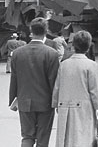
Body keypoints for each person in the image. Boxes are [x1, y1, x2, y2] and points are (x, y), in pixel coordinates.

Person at [9, 17, 60, 146]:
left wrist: (13, 99)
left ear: (31, 31)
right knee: (43, 137)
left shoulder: (17, 53)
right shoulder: (52, 54)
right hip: (45, 102)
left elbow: (14, 79)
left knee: (27, 136)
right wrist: (57, 102)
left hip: (24, 101)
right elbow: (54, 82)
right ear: (46, 31)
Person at [52, 30, 98, 147]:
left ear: (73, 45)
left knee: (65, 139)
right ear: (89, 46)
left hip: (64, 106)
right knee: (83, 138)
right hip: (84, 107)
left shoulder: (64, 64)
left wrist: (55, 104)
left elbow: (57, 86)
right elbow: (94, 91)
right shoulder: (91, 65)